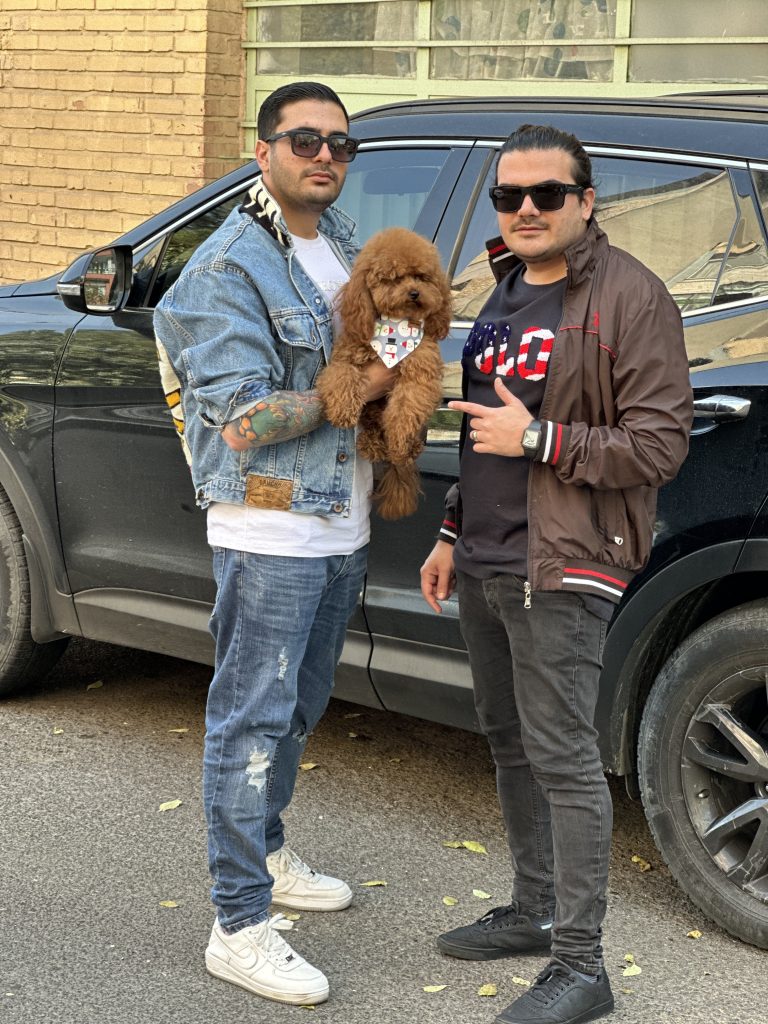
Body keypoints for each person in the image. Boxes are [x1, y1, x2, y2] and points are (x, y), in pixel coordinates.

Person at [420, 124, 693, 1024]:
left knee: (567, 761)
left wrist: (540, 438)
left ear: (586, 201)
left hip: (567, 563)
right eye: (509, 197)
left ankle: (583, 968)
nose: (526, 209)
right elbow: (479, 433)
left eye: (546, 194)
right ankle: (534, 908)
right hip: (490, 559)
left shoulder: (630, 296)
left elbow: (658, 444)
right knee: (509, 741)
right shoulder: (501, 294)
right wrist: (451, 530)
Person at [153, 81, 393, 1007]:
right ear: (264, 152)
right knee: (250, 718)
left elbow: (386, 346)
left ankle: (269, 845)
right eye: (305, 139)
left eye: (340, 143)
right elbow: (247, 420)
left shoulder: (337, 246)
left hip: (343, 519)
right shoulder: (222, 272)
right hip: (270, 526)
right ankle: (239, 922)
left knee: (298, 706)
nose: (325, 155)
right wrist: (368, 385)